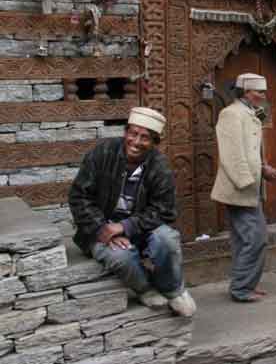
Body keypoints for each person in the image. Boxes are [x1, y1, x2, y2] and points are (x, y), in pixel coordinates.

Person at [68, 107, 196, 317]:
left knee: (167, 239)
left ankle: (173, 290)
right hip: (100, 228)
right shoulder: (102, 153)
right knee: (121, 257)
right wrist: (101, 228)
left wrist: (125, 226)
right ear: (125, 132)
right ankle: (145, 289)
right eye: (133, 133)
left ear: (154, 142)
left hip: (139, 229)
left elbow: (165, 210)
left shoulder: (159, 166)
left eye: (145, 138)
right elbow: (79, 196)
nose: (136, 142)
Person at [211, 73, 276, 303]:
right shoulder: (230, 114)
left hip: (251, 187)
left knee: (246, 239)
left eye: (263, 92)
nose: (262, 96)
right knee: (255, 238)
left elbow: (251, 151)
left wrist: (263, 168)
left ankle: (245, 284)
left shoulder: (249, 114)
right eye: (258, 91)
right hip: (241, 188)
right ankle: (241, 288)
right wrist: (247, 181)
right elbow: (231, 154)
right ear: (245, 92)